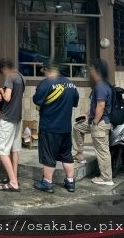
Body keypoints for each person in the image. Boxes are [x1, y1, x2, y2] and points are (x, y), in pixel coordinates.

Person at [33, 61, 79, 193]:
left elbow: (37, 100)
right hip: (65, 128)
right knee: (66, 155)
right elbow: (75, 101)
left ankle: (47, 183)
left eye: (44, 70)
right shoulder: (70, 83)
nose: (44, 72)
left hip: (50, 127)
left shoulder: (46, 83)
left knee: (49, 156)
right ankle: (70, 182)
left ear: (48, 69)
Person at [72, 59, 114, 186]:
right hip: (97, 121)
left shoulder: (100, 86)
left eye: (91, 69)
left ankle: (106, 178)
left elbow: (101, 106)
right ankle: (79, 154)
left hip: (100, 123)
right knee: (78, 127)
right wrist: (87, 115)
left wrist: (95, 122)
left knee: (102, 151)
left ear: (97, 71)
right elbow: (96, 105)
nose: (89, 71)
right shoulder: (102, 85)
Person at [0, 58, 25, 192]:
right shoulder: (21, 77)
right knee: (15, 149)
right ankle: (14, 177)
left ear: (3, 69)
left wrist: (0, 91)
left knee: (2, 149)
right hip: (18, 118)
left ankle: (13, 182)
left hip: (7, 118)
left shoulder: (9, 76)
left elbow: (7, 98)